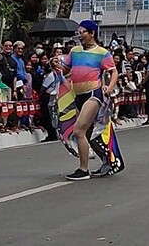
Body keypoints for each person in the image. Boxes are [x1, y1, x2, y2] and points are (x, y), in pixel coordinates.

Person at [52, 20, 118, 181]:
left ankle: (83, 169)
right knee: (88, 134)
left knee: (78, 131)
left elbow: (114, 72)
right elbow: (66, 69)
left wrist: (109, 87)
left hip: (93, 95)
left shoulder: (102, 53)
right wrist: (55, 64)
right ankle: (108, 160)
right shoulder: (74, 51)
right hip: (78, 96)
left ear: (91, 33)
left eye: (83, 32)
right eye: (79, 32)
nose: (80, 35)